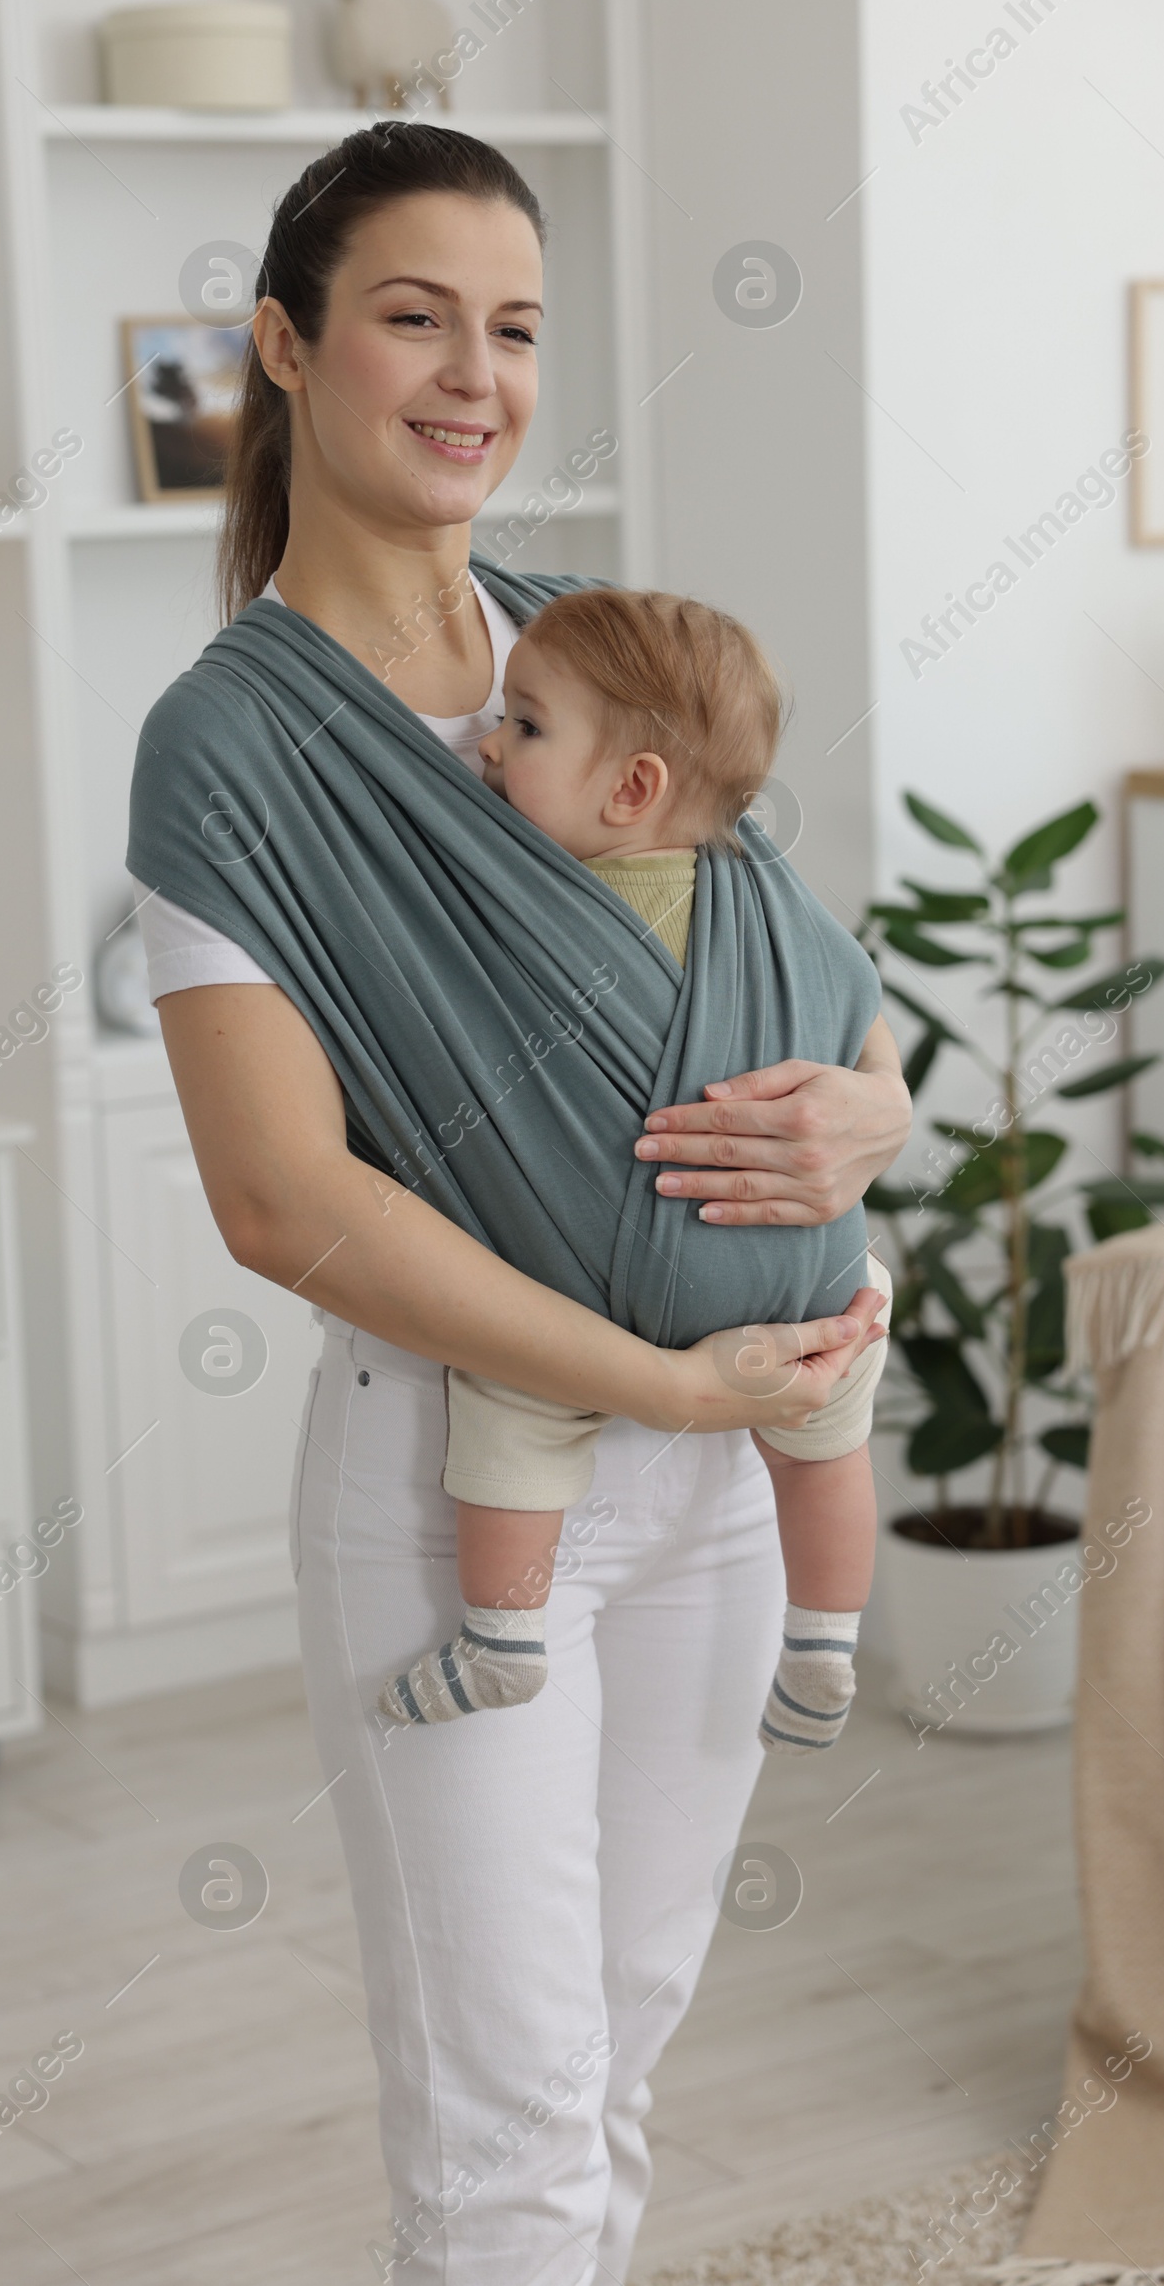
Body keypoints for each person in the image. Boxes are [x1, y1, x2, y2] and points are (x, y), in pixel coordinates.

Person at [130, 121, 910, 2285]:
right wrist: (660, 1386)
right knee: (504, 2125)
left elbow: (816, 997)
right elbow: (281, 1203)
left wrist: (876, 1120)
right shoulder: (233, 745)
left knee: (611, 2061)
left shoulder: (596, 641)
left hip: (728, 1461)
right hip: (476, 1469)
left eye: (514, 327)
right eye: (411, 316)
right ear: (281, 346)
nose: (472, 374)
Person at [378, 584, 886, 1757]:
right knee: (831, 1430)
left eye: (527, 725)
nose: (490, 746)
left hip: (604, 1292)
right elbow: (853, 1009)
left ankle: (503, 1637)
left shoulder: (522, 904)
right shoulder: (766, 900)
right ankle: (823, 1640)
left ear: (630, 789)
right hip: (800, 1288)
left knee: (511, 1395)